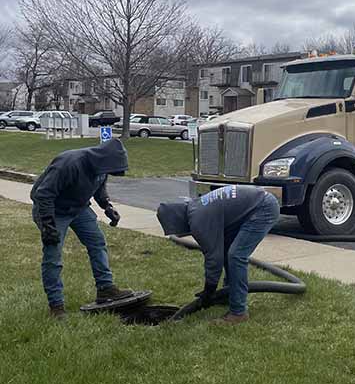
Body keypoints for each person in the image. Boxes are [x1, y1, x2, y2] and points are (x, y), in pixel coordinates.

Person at [31, 139, 134, 318]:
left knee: (97, 243)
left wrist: (107, 207)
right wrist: (48, 224)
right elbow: (43, 194)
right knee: (53, 256)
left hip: (79, 208)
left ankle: (105, 289)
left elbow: (99, 187)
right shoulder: (69, 163)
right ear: (103, 160)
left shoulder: (102, 167)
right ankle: (56, 306)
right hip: (52, 210)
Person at [157, 185, 280, 325]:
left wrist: (209, 290)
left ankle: (238, 312)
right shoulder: (196, 207)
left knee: (236, 256)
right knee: (229, 251)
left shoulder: (198, 221)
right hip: (255, 205)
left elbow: (214, 259)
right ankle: (228, 296)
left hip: (263, 208)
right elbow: (219, 251)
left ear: (177, 221)